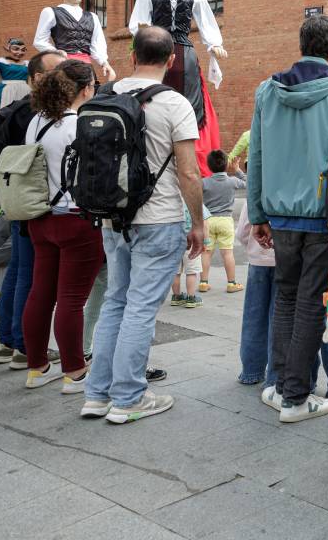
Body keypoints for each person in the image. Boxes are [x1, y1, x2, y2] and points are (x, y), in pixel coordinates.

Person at [84, 26, 204, 424]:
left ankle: (97, 394)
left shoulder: (108, 94)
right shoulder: (174, 103)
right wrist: (198, 222)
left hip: (112, 217)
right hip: (159, 218)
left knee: (116, 301)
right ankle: (129, 397)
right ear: (171, 60)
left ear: (132, 54)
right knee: (139, 308)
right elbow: (189, 173)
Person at [248, 15, 328, 423]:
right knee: (311, 302)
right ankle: (296, 396)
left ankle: (280, 386)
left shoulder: (267, 90)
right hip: (322, 215)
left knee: (287, 297)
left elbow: (256, 153)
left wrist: (258, 211)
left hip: (278, 214)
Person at [21, 60, 101, 392]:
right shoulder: (79, 125)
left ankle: (36, 367)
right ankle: (74, 372)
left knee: (41, 293)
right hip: (76, 219)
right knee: (71, 298)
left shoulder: (36, 122)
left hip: (40, 219)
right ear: (84, 89)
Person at [237, 213, 328, 401]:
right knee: (319, 315)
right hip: (315, 232)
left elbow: (243, 231)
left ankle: (264, 376)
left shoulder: (265, 202)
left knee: (262, 318)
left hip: (269, 251)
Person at [0, 50, 65, 368]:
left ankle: (8, 340)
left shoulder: (17, 109)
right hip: (33, 204)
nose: (63, 76)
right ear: (37, 78)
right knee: (30, 275)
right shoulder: (35, 111)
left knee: (19, 270)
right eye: (57, 71)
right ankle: (25, 346)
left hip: (17, 201)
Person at [129, 0, 227, 177]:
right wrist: (143, 32)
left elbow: (207, 24)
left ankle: (190, 155)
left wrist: (214, 45)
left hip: (184, 52)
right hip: (156, 50)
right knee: (152, 95)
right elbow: (137, 25)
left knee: (191, 100)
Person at [33, 0, 115, 81]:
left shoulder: (92, 17)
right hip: (64, 64)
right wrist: (56, 52)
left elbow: (98, 43)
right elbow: (39, 41)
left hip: (86, 66)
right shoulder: (51, 12)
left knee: (88, 94)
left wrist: (104, 63)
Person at [200, 150, 246, 293]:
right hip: (226, 220)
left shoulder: (204, 183)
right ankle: (231, 283)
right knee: (227, 253)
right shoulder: (232, 181)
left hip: (208, 221)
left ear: (209, 166)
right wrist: (237, 170)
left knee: (206, 253)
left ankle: (203, 282)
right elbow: (249, 183)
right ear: (226, 165)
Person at [172, 204, 210, 308]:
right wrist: (205, 241)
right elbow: (205, 224)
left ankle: (176, 296)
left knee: (175, 271)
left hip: (174, 241)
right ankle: (191, 298)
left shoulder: (173, 203)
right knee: (191, 271)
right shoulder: (197, 204)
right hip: (193, 241)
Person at [0, 37, 29, 106]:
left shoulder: (27, 64)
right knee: (7, 111)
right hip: (7, 90)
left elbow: (30, 81)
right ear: (8, 49)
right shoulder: (1, 62)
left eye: (23, 50)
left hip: (25, 90)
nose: (19, 52)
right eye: (16, 49)